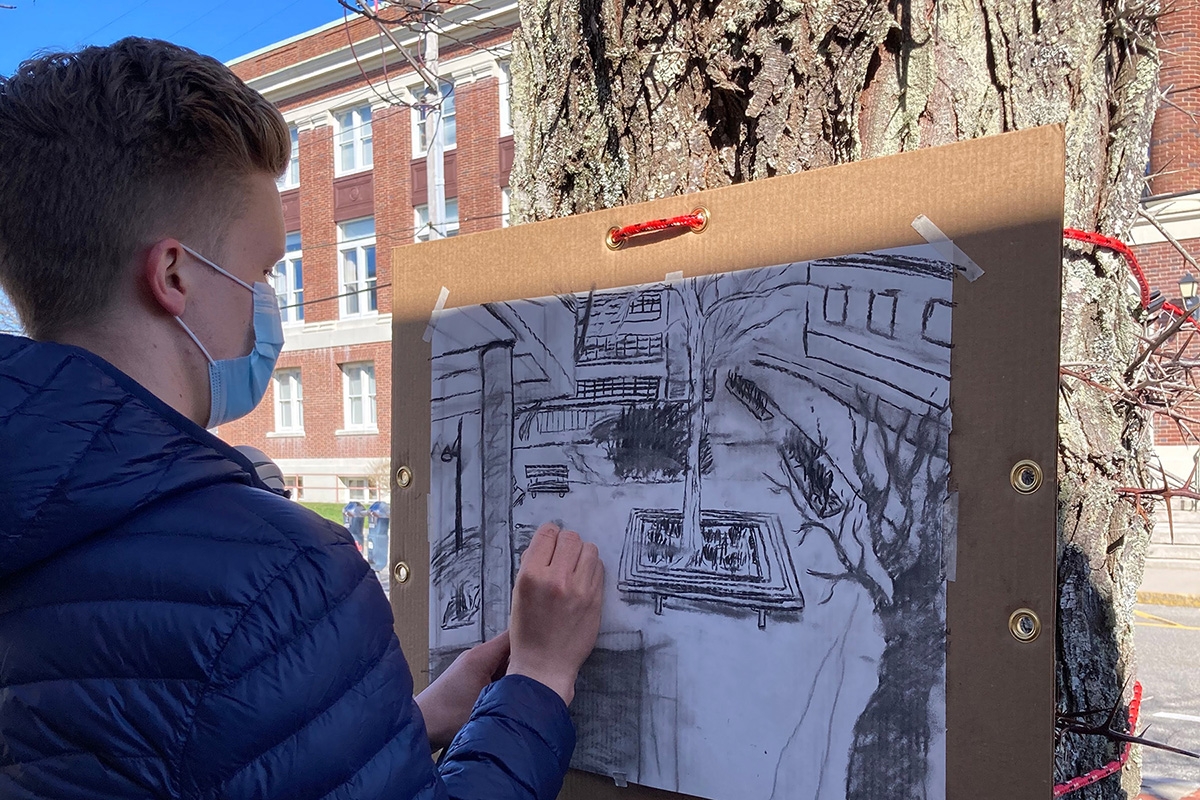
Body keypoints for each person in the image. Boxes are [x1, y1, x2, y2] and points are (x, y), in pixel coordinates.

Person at [0, 38, 604, 799]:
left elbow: (173, 757)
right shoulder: (279, 575)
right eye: (260, 272)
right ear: (175, 275)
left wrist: (406, 722)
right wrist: (540, 682)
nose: (267, 304)